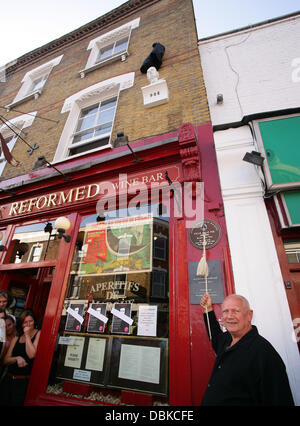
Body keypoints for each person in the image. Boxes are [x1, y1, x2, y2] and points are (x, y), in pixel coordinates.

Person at [200, 292, 295, 406]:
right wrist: (208, 309)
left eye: (235, 311)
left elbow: (279, 399)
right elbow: (215, 336)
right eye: (226, 311)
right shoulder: (226, 340)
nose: (230, 316)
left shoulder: (264, 354)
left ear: (249, 315)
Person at [3, 308, 40, 406]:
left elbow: (31, 354)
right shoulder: (17, 336)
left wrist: (27, 336)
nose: (28, 325)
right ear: (21, 324)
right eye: (25, 322)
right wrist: (17, 358)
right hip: (9, 379)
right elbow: (6, 360)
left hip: (23, 381)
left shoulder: (38, 333)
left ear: (34, 321)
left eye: (30, 321)